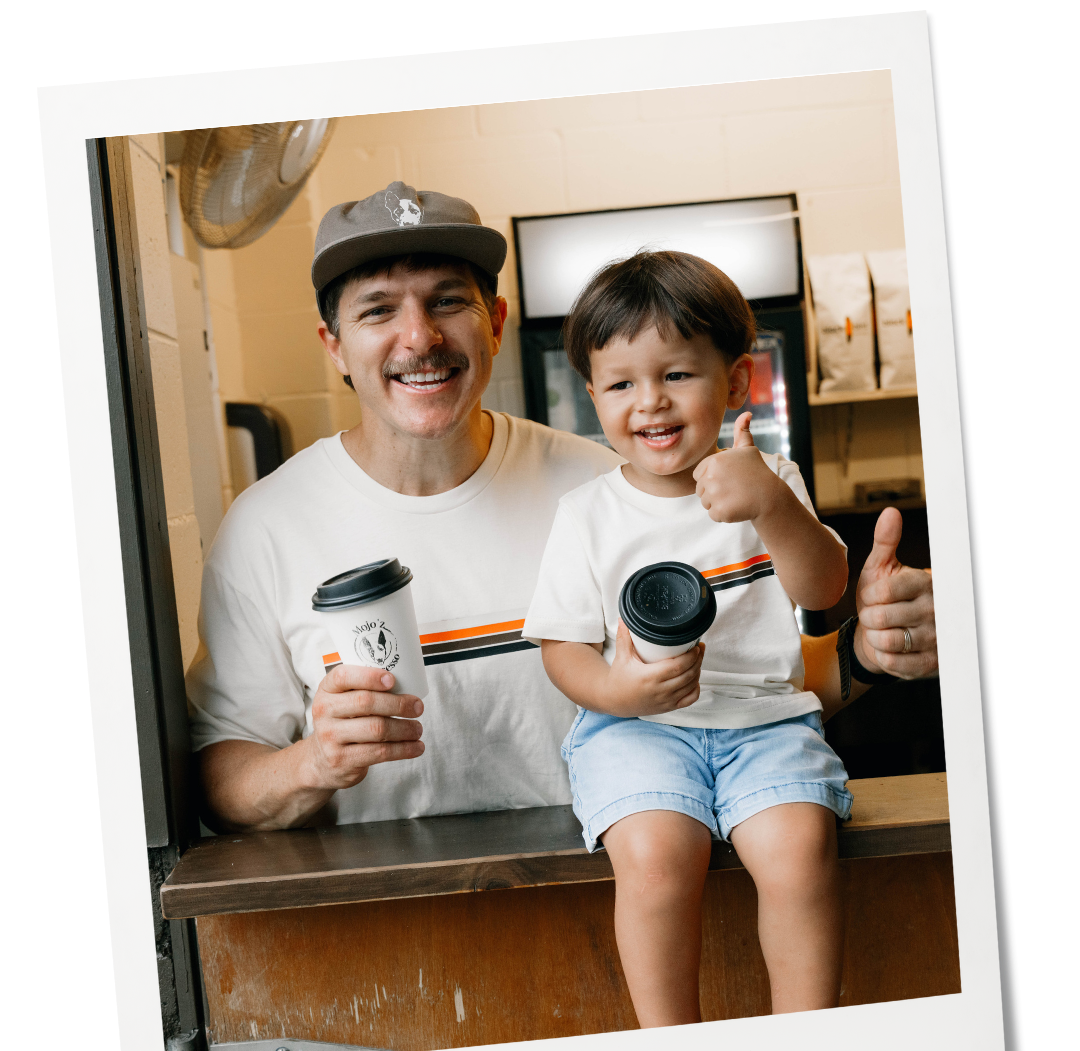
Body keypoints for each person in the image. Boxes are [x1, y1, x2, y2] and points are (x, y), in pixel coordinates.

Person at [188, 181, 937, 842]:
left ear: (497, 321)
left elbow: (747, 690)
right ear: (334, 346)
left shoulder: (611, 483)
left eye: (449, 300)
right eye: (378, 310)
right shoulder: (264, 528)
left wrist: (867, 652)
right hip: (387, 940)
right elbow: (220, 781)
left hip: (600, 909)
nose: (419, 337)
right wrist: (311, 763)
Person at [522, 250, 855, 1026]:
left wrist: (770, 506)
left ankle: (810, 1047)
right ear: (592, 399)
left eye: (677, 375)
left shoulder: (773, 477)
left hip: (764, 724)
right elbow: (563, 648)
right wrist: (617, 690)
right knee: (656, 858)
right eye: (622, 384)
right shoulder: (587, 513)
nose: (651, 404)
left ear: (738, 383)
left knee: (799, 850)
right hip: (634, 729)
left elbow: (826, 590)